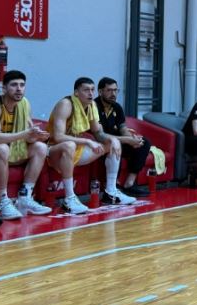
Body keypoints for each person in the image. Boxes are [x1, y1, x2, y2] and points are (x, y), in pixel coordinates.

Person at [0, 70, 52, 220]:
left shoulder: (24, 104)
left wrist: (35, 136)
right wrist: (25, 134)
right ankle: (3, 202)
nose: (19, 89)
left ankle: (25, 197)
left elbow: (28, 136)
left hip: (10, 150)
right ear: (4, 88)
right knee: (2, 149)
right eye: (14, 85)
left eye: (22, 85)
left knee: (41, 147)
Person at [47, 77, 136, 213]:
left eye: (92, 90)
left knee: (113, 143)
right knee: (69, 145)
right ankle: (69, 198)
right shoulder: (66, 104)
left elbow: (98, 133)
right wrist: (87, 141)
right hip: (54, 151)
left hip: (76, 150)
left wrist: (113, 140)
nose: (90, 93)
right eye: (86, 90)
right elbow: (58, 137)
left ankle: (111, 192)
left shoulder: (91, 106)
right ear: (76, 92)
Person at [95, 78, 152, 197]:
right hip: (101, 143)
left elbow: (122, 127)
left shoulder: (117, 107)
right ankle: (113, 186)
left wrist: (132, 139)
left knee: (144, 142)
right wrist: (127, 140)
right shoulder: (94, 107)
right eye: (109, 90)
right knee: (117, 145)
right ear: (100, 92)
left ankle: (129, 183)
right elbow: (100, 135)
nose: (113, 94)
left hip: (118, 139)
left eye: (116, 90)